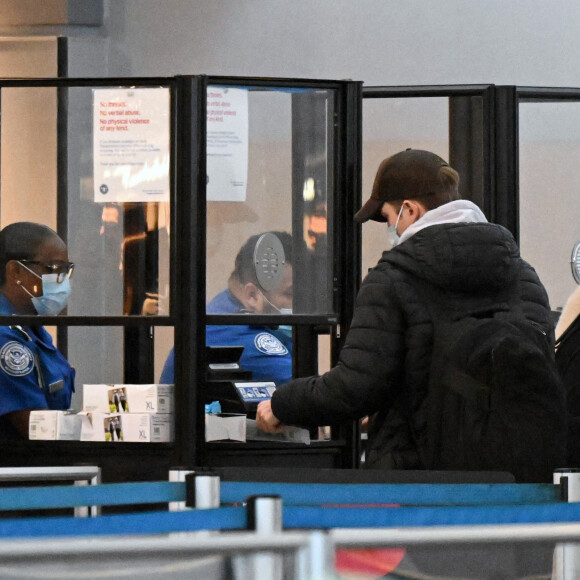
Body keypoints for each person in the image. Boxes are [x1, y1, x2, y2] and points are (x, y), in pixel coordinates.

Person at [256, 149, 557, 472]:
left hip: (417, 476)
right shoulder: (520, 274)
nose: (393, 230)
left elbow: (357, 386)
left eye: (387, 217)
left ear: (410, 210)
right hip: (514, 473)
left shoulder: (394, 278)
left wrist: (282, 404)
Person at [160, 231, 293, 386]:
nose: (301, 305)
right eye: (290, 294)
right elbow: (313, 398)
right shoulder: (239, 336)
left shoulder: (221, 310)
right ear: (252, 296)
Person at [0, 222, 75, 438]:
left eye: (66, 271)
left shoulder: (31, 329)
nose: (62, 281)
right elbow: (37, 429)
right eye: (54, 269)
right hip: (23, 466)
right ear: (16, 271)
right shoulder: (6, 338)